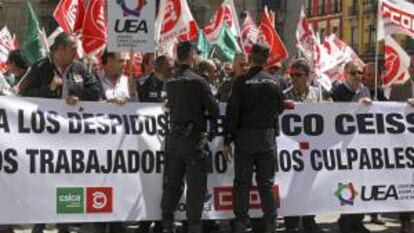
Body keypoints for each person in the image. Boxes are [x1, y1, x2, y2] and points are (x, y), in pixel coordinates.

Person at [20, 32, 102, 233]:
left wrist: (77, 94)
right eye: (74, 48)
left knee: (66, 180)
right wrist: (49, 90)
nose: (77, 52)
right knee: (45, 180)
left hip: (71, 137)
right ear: (61, 50)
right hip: (44, 137)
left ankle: (63, 223)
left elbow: (96, 92)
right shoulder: (41, 68)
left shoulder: (81, 68)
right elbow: (22, 94)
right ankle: (39, 224)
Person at [222, 43, 287, 233]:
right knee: (266, 184)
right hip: (266, 139)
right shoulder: (274, 82)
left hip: (245, 139)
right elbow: (280, 108)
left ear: (251, 58)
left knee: (242, 184)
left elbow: (232, 113)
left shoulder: (241, 82)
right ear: (267, 60)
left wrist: (227, 140)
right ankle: (271, 224)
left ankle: (241, 224)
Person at [161, 41, 219, 233]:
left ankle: (166, 223)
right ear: (192, 54)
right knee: (195, 188)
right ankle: (194, 227)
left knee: (173, 184)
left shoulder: (171, 81)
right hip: (194, 141)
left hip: (175, 140)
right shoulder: (198, 81)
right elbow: (214, 110)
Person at [282, 59, 324, 233]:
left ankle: (309, 220)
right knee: (291, 185)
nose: (294, 79)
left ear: (308, 76)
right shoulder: (284, 95)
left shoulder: (317, 93)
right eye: (291, 75)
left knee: (309, 184)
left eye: (298, 75)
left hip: (312, 148)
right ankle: (291, 223)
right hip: (292, 149)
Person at [331, 61, 371, 233]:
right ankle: (346, 219)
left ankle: (358, 219)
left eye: (359, 72)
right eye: (353, 73)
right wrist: (356, 104)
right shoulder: (337, 91)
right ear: (345, 74)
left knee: (361, 182)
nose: (357, 76)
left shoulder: (365, 90)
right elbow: (335, 116)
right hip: (343, 144)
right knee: (346, 184)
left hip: (361, 144)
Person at [389, 54, 414, 233]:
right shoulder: (397, 88)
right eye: (411, 66)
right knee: (405, 183)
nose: (413, 69)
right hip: (403, 146)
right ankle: (405, 221)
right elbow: (386, 114)